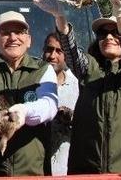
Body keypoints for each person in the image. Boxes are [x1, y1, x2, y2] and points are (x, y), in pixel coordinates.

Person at [34, 0, 121, 180]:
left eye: (115, 32)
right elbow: (72, 53)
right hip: (88, 173)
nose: (109, 37)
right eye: (103, 34)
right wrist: (60, 17)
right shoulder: (90, 70)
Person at [0, 11, 58, 176]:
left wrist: (24, 111)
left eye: (19, 32)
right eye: (6, 33)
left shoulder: (43, 69)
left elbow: (49, 105)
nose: (13, 37)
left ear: (28, 40)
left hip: (32, 171)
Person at [42, 31, 78, 176]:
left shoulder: (77, 85)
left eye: (59, 51)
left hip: (67, 166)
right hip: (37, 167)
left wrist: (70, 116)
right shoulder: (31, 83)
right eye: (49, 50)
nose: (52, 56)